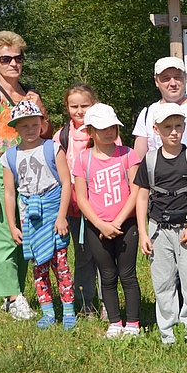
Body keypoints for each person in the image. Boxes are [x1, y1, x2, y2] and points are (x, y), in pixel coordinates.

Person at [0, 30, 46, 320]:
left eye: (18, 58)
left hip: (30, 172)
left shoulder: (29, 95)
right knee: (3, 236)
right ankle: (14, 297)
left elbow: (45, 133)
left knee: (23, 236)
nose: (13, 63)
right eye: (6, 58)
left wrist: (41, 109)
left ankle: (12, 294)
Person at [134, 103, 187, 349]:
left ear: (184, 126)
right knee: (162, 284)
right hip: (158, 231)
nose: (173, 132)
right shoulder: (150, 160)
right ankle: (168, 335)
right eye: (167, 127)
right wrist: (143, 232)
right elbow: (142, 197)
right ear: (156, 130)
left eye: (178, 126)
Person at [0, 101, 76, 330]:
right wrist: (13, 226)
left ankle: (69, 310)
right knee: (38, 266)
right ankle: (48, 311)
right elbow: (10, 193)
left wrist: (62, 216)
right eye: (25, 126)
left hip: (53, 212)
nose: (31, 130)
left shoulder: (52, 148)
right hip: (30, 217)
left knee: (60, 264)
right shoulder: (10, 156)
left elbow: (66, 183)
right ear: (16, 128)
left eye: (35, 124)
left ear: (42, 124)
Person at [73, 103, 143, 339]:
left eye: (113, 126)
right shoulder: (83, 159)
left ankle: (133, 323)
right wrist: (101, 225)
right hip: (96, 226)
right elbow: (81, 198)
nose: (109, 132)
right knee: (107, 274)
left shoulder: (128, 154)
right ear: (90, 131)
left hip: (128, 224)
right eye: (103, 128)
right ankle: (114, 322)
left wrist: (119, 221)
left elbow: (136, 191)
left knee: (128, 274)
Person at [52, 84, 104, 318]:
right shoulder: (61, 136)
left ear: (95, 105)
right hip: (72, 206)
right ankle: (86, 303)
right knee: (83, 255)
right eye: (74, 106)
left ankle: (107, 302)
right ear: (67, 107)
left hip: (101, 204)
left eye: (85, 105)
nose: (80, 110)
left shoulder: (104, 130)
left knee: (105, 256)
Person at [132, 56, 187, 160]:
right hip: (160, 175)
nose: (173, 83)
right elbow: (138, 161)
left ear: (185, 78)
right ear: (156, 81)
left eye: (177, 77)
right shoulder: (147, 114)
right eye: (166, 78)